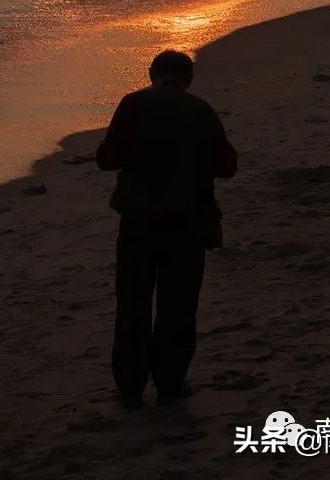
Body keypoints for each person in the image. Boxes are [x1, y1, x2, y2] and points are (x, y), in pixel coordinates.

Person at [95, 49, 238, 408]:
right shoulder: (200, 110)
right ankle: (170, 384)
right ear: (188, 78)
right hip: (188, 221)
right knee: (179, 304)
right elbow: (227, 166)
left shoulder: (133, 104)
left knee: (133, 303)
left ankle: (130, 387)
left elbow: (107, 159)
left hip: (139, 220)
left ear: (151, 73)